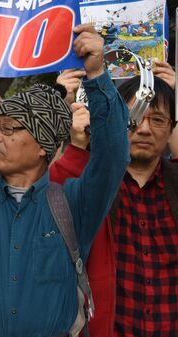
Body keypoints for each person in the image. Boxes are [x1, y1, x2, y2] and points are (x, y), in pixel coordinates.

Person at [0, 23, 129, 336]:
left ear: (43, 146)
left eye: (9, 129)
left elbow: (111, 154)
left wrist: (97, 73)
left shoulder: (72, 204)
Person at [50, 75, 178, 336]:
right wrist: (76, 144)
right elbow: (53, 205)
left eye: (158, 120)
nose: (143, 129)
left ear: (172, 129)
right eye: (136, 115)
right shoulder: (91, 184)